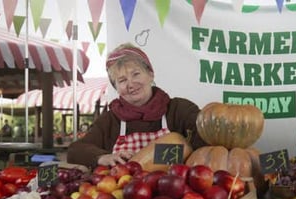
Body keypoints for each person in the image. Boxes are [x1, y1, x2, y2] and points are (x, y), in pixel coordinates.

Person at [67, 43, 207, 168]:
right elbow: (75, 151)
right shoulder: (110, 120)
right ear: (116, 88)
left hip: (173, 192)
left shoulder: (179, 110)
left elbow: (206, 136)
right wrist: (102, 157)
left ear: (150, 75)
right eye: (122, 80)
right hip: (125, 193)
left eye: (136, 74)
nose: (131, 84)